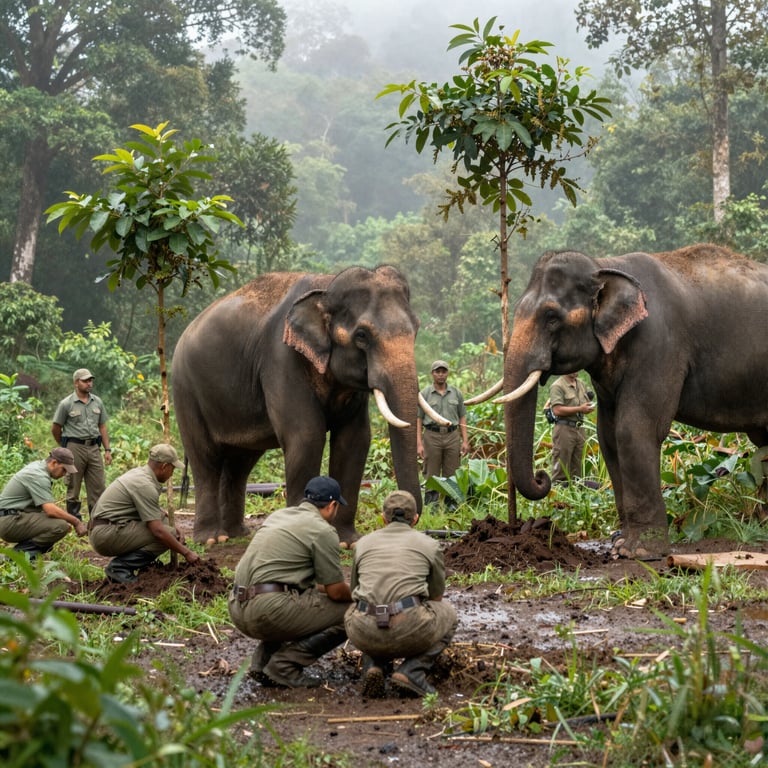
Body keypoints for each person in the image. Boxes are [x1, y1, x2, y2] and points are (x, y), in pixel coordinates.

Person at [228, 476, 353, 688]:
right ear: (332, 505)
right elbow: (335, 592)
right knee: (353, 612)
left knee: (296, 599)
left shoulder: (279, 516)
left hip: (237, 607)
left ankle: (261, 663)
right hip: (268, 610)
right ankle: (284, 666)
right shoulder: (322, 530)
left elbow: (310, 585)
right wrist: (362, 593)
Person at [344, 490, 457, 698]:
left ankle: (374, 664)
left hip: (363, 629)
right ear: (415, 518)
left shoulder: (362, 545)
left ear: (382, 518)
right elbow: (436, 597)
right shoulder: (430, 545)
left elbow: (355, 591)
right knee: (448, 614)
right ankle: (412, 671)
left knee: (361, 606)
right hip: (408, 626)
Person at [89, 443, 200, 583]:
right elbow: (158, 531)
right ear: (164, 467)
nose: (172, 473)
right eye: (172, 468)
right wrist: (186, 552)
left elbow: (153, 512)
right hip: (105, 534)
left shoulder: (141, 474)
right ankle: (119, 568)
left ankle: (135, 566)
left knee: (167, 526)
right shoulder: (144, 485)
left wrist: (173, 526)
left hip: (107, 528)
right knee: (166, 534)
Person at [0, 447, 88, 558]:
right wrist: (76, 522)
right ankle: (13, 558)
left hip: (13, 517)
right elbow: (50, 510)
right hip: (10, 521)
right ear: (54, 463)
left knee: (58, 525)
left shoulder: (38, 467)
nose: (65, 474)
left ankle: (22, 555)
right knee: (59, 526)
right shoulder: (38, 476)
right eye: (64, 469)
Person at [51, 368, 112, 521]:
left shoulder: (97, 402)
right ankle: (74, 521)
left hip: (93, 447)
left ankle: (97, 520)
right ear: (76, 382)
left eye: (90, 380)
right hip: (74, 448)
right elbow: (56, 427)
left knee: (98, 485)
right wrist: (65, 446)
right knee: (74, 485)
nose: (89, 383)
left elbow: (102, 426)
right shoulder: (66, 404)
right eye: (85, 380)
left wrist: (107, 449)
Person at [417, 360, 469, 505]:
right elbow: (419, 419)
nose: (440, 374)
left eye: (443, 371)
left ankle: (451, 504)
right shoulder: (425, 394)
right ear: (432, 374)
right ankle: (431, 504)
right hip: (431, 436)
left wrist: (465, 440)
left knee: (452, 471)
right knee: (431, 471)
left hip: (452, 436)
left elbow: (462, 417)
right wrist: (419, 443)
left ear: (447, 373)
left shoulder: (456, 393)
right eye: (437, 371)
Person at [549, 372, 595, 485]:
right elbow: (557, 410)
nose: (576, 370)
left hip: (580, 429)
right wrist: (580, 408)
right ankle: (558, 496)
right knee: (561, 466)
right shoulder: (557, 386)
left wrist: (588, 408)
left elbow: (586, 402)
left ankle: (575, 495)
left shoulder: (581, 384)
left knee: (578, 468)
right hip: (564, 429)